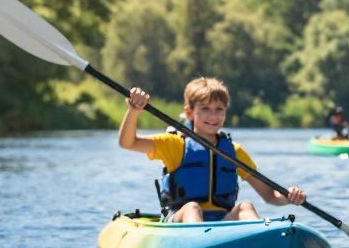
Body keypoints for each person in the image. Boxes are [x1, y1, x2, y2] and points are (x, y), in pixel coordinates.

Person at [118, 76, 306, 223]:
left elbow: (269, 195)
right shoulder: (174, 145)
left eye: (219, 109)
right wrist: (133, 112)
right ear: (189, 112)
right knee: (192, 208)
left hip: (221, 222)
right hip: (180, 220)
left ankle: (262, 246)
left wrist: (288, 196)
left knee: (245, 207)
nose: (213, 116)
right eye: (205, 109)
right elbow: (128, 142)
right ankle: (199, 247)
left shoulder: (234, 151)